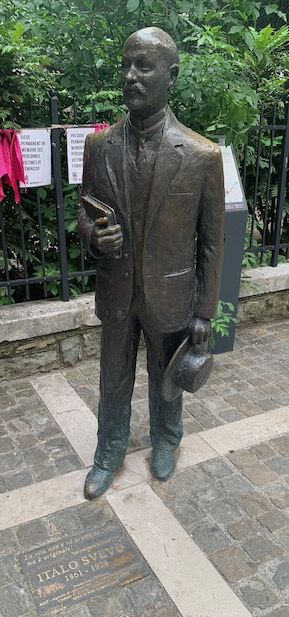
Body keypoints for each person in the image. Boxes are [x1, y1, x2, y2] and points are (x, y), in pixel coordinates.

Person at [78, 26, 224, 499]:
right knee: (112, 379)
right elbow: (85, 209)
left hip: (172, 292)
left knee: (167, 378)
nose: (130, 76)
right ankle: (108, 453)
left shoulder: (202, 155)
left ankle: (166, 442)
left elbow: (212, 244)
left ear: (171, 74)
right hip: (117, 290)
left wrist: (205, 312)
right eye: (126, 65)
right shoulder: (99, 147)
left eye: (144, 66)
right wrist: (94, 235)